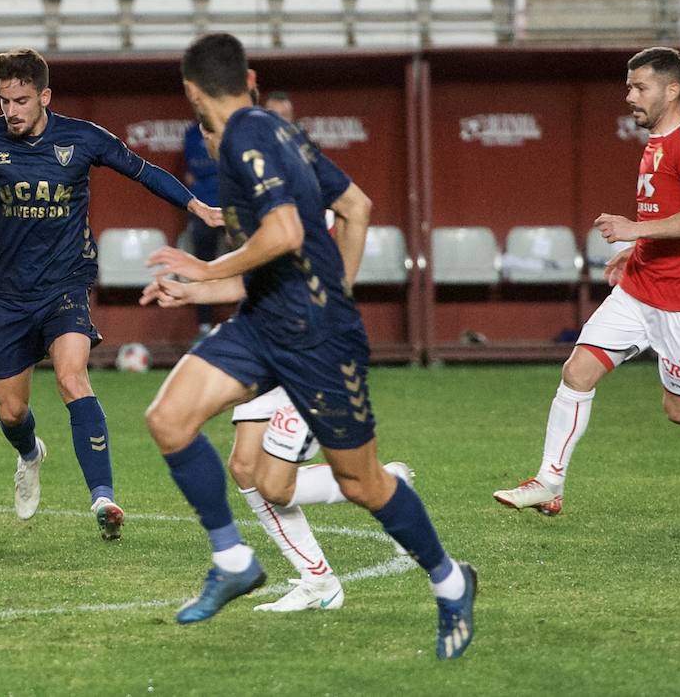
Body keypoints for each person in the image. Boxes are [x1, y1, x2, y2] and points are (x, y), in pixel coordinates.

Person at [141, 33, 475, 659]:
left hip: (317, 338)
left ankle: (452, 582)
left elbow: (287, 231)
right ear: (251, 77)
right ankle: (235, 558)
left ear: (191, 92)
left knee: (362, 483)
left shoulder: (244, 135)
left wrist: (208, 270)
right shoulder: (280, 131)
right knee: (169, 419)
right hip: (268, 320)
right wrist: (215, 289)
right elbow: (355, 206)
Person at [0, 48, 223, 541]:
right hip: (10, 293)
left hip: (67, 282)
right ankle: (30, 455)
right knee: (11, 411)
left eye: (22, 100)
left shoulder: (83, 138)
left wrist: (195, 204)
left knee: (73, 379)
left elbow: (142, 170)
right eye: (4, 100)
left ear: (44, 96)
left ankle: (103, 499)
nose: (12, 110)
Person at [494, 48, 680, 519]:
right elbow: (667, 211)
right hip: (642, 288)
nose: (629, 96)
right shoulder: (657, 139)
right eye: (628, 86)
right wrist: (635, 250)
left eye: (639, 87)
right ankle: (550, 481)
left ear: (671, 90)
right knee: (577, 372)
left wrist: (633, 230)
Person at [153, 120, 416, 613]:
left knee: (270, 480)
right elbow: (252, 283)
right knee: (247, 469)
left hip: (302, 345)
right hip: (264, 339)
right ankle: (319, 578)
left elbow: (338, 235)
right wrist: (192, 290)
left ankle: (381, 493)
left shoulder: (293, 197)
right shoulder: (256, 194)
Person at [180, 121, 223, 337]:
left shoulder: (233, 127)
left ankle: (251, 322)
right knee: (203, 266)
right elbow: (195, 167)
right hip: (203, 209)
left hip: (234, 204)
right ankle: (205, 327)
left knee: (251, 263)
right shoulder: (191, 134)